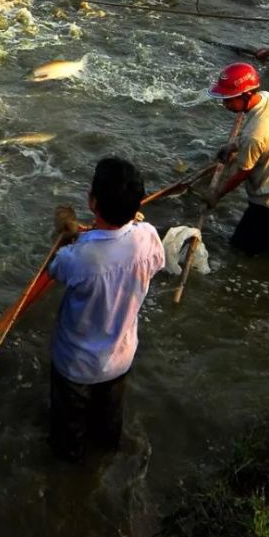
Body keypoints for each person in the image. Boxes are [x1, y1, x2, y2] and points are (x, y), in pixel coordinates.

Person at [28, 157, 165, 462]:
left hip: (75, 366)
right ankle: (104, 467)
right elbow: (138, 249)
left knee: (68, 436)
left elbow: (51, 274)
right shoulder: (148, 237)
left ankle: (68, 475)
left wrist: (65, 233)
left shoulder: (77, 257)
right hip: (120, 359)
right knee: (108, 427)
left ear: (93, 202)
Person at [205, 63, 269, 255]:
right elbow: (253, 135)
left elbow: (242, 172)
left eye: (229, 100)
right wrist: (233, 146)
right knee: (264, 242)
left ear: (247, 95)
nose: (225, 105)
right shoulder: (268, 99)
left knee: (240, 250)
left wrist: (217, 193)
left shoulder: (255, 135)